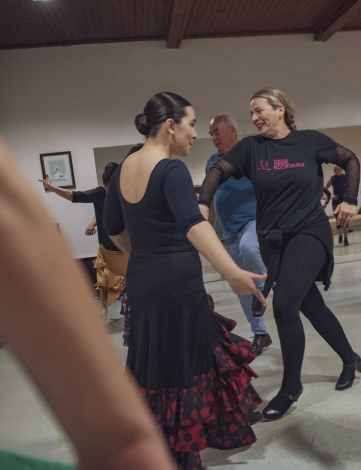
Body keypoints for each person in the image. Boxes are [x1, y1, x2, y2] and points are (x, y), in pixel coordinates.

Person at [0, 18, 173, 469]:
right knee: (112, 293)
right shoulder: (108, 191)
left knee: (117, 293)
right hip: (111, 251)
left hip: (120, 252)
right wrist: (122, 440)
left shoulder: (118, 187)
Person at [103, 91, 267, 469]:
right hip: (177, 280)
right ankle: (182, 455)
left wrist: (145, 255)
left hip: (144, 280)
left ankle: (228, 421)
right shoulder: (171, 168)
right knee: (181, 365)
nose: (196, 134)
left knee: (164, 359)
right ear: (171, 125)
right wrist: (232, 272)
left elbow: (113, 227)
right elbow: (192, 223)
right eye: (192, 125)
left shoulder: (126, 163)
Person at [199, 87, 361, 422]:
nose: (255, 118)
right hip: (274, 239)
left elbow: (350, 159)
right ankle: (349, 357)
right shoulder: (250, 148)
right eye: (251, 114)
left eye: (259, 110)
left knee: (286, 305)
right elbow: (217, 172)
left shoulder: (309, 141)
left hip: (310, 231)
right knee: (309, 304)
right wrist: (203, 202)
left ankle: (290, 387)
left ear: (280, 109)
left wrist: (351, 199)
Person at [205, 114, 272, 355]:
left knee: (249, 248)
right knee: (241, 286)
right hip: (228, 231)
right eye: (211, 133)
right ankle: (261, 334)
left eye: (216, 132)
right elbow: (211, 198)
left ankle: (265, 285)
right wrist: (208, 229)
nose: (213, 138)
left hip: (252, 222)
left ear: (232, 130)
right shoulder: (212, 162)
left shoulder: (249, 154)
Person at [40, 162, 127, 320]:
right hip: (110, 247)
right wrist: (92, 223)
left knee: (120, 282)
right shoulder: (106, 193)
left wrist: (51, 187)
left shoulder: (119, 193)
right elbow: (75, 196)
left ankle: (115, 307)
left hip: (123, 249)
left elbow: (76, 196)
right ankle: (103, 307)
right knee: (103, 279)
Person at [325, 165, 350, 246]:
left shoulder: (346, 177)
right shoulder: (332, 179)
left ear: (342, 169)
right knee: (339, 220)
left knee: (345, 220)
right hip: (336, 202)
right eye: (335, 169)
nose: (336, 170)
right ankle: (340, 236)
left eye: (338, 169)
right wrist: (330, 196)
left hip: (345, 202)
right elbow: (325, 188)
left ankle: (346, 238)